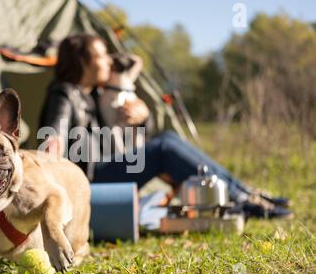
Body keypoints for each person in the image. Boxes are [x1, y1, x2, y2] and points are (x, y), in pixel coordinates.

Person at [39, 34, 292, 219]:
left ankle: (244, 192)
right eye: (101, 55)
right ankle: (242, 200)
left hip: (104, 169)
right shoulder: (64, 94)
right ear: (82, 62)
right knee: (164, 147)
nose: (108, 61)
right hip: (89, 180)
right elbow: (53, 137)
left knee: (166, 140)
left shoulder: (93, 95)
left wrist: (143, 118)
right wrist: (53, 148)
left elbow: (127, 136)